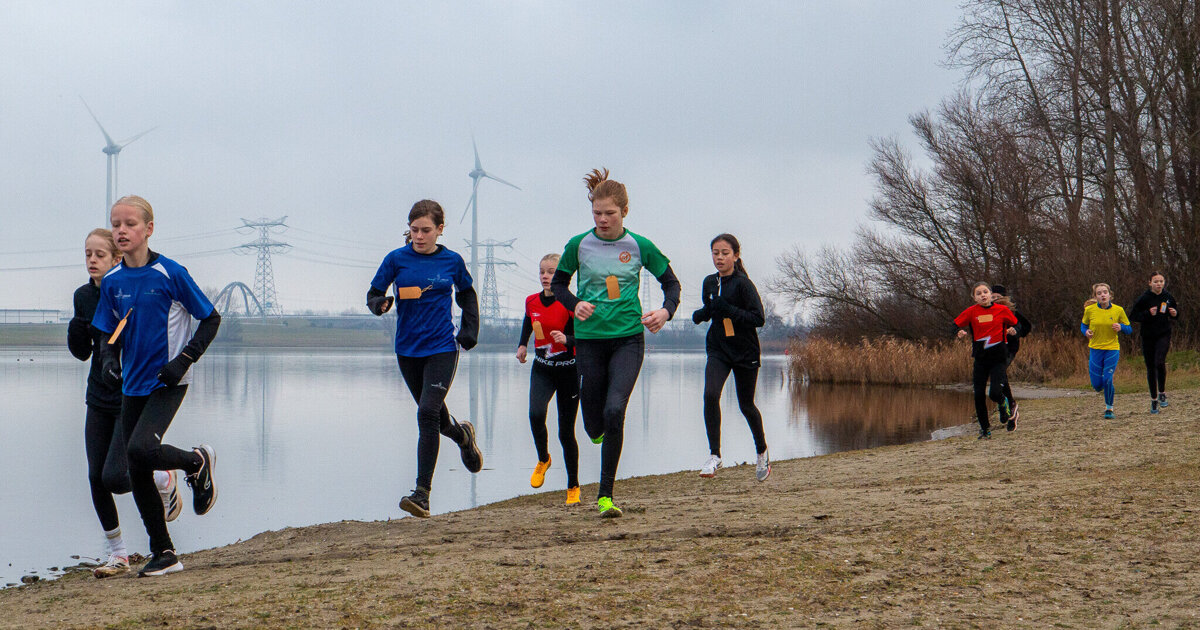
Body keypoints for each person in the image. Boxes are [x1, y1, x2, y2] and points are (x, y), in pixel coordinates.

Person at [91, 196, 221, 577]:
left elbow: (211, 319)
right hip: (132, 385)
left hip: (169, 381)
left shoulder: (170, 272)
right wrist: (110, 361)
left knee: (141, 448)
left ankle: (196, 461)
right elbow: (105, 332)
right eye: (116, 224)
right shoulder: (113, 281)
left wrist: (183, 360)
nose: (121, 230)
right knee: (134, 465)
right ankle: (165, 552)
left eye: (130, 223)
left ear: (148, 229)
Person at [551, 168, 681, 517]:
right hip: (590, 341)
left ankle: (606, 495)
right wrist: (574, 303)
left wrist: (665, 313)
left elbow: (672, 285)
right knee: (593, 422)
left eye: (610, 213)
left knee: (614, 411)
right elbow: (559, 286)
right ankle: (599, 433)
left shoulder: (640, 246)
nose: (603, 219)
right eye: (597, 213)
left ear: (625, 211)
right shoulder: (578, 245)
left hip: (628, 339)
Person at [69, 228, 182, 578]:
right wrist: (76, 326)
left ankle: (162, 475)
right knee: (95, 477)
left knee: (117, 477)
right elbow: (83, 351)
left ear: (117, 259)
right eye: (87, 254)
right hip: (97, 396)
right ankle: (118, 554)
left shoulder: (129, 289)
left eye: (99, 255)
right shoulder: (83, 296)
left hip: (130, 394)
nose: (91, 260)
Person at [367, 200, 482, 518]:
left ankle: (422, 494)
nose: (419, 236)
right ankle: (462, 435)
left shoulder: (452, 261)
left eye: (426, 230)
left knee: (427, 412)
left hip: (442, 348)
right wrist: (380, 304)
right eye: (414, 230)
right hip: (407, 350)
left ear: (440, 230)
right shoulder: (396, 260)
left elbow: (467, 293)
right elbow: (373, 293)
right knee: (434, 416)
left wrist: (470, 329)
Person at [691, 234, 770, 481]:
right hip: (718, 349)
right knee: (710, 394)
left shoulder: (744, 284)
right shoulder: (709, 282)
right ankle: (715, 455)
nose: (720, 258)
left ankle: (762, 452)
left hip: (744, 351)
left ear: (735, 255)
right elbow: (709, 311)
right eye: (715, 253)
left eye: (725, 253)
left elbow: (758, 319)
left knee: (746, 405)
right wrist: (703, 313)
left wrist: (730, 310)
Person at [516, 254, 580, 504]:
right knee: (535, 414)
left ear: (563, 276)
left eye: (551, 272)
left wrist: (568, 340)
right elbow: (528, 322)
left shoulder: (572, 304)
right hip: (542, 368)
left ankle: (573, 486)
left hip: (569, 371)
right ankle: (544, 458)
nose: (545, 276)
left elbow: (584, 339)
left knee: (566, 433)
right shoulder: (531, 301)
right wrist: (522, 344)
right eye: (542, 271)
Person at [954, 282, 1019, 439]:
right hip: (981, 359)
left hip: (998, 359)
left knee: (995, 393)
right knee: (978, 395)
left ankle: (1003, 403)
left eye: (985, 292)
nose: (983, 295)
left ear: (991, 295)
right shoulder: (971, 312)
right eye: (979, 293)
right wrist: (959, 331)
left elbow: (1018, 325)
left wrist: (1013, 330)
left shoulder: (1002, 310)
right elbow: (954, 324)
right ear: (974, 298)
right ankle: (985, 430)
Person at [1128, 272, 1179, 414]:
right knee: (1150, 367)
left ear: (1164, 282)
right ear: (1149, 282)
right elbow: (1133, 316)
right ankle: (1154, 400)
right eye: (1156, 281)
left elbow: (1175, 314)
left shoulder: (1168, 297)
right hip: (1148, 336)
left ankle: (1162, 392)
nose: (1159, 284)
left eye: (1161, 281)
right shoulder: (1144, 298)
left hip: (1163, 333)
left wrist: (1174, 313)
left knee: (1159, 362)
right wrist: (1147, 313)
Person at [1081, 282, 1131, 419]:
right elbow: (1083, 326)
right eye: (1099, 293)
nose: (1103, 295)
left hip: (1112, 349)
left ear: (1110, 294)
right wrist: (1086, 332)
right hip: (1095, 349)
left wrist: (1121, 327)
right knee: (1097, 385)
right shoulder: (1089, 310)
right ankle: (1102, 389)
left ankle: (1109, 409)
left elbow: (1129, 328)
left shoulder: (1118, 310)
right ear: (1095, 296)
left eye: (1105, 292)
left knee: (1108, 379)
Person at [989, 285, 1032, 420]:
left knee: (1000, 372)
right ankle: (1008, 403)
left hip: (1009, 347)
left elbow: (1025, 326)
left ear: (1004, 297)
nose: (995, 299)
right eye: (993, 297)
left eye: (998, 297)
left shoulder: (1011, 310)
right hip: (993, 348)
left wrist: (1016, 332)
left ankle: (1008, 405)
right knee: (999, 375)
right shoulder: (987, 311)